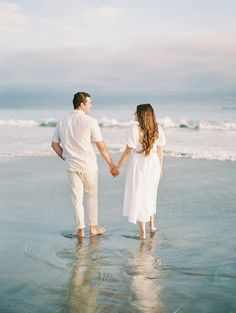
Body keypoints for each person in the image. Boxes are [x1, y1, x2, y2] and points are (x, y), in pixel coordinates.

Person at [51, 92, 114, 237]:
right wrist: (111, 164)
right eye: (89, 103)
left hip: (71, 166)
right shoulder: (90, 121)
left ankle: (80, 230)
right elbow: (101, 146)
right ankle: (93, 229)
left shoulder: (62, 121)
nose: (91, 105)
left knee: (77, 199)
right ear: (82, 104)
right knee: (91, 196)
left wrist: (66, 158)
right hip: (89, 166)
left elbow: (54, 144)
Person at [112, 104, 166, 240]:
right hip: (153, 164)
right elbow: (160, 150)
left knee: (139, 195)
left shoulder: (134, 130)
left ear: (141, 114)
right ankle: (152, 226)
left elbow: (128, 151)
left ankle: (142, 233)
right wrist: (160, 168)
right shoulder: (158, 128)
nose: (134, 113)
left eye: (136, 112)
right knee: (151, 193)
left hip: (139, 164)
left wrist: (118, 166)